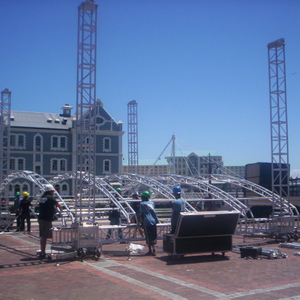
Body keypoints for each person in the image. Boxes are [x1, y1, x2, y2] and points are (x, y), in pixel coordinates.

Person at [38, 184, 62, 259]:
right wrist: (62, 210)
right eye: (52, 192)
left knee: (43, 236)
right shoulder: (50, 198)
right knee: (45, 236)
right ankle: (42, 253)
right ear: (50, 191)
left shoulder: (42, 198)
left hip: (41, 218)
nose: (53, 193)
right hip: (46, 219)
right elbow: (58, 205)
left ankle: (43, 251)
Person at [139, 191, 159, 256]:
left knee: (148, 236)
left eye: (142, 196)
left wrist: (140, 222)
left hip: (146, 221)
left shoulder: (142, 204)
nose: (141, 197)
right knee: (153, 236)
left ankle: (150, 250)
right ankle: (154, 249)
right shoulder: (152, 203)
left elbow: (141, 214)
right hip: (153, 221)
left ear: (144, 197)